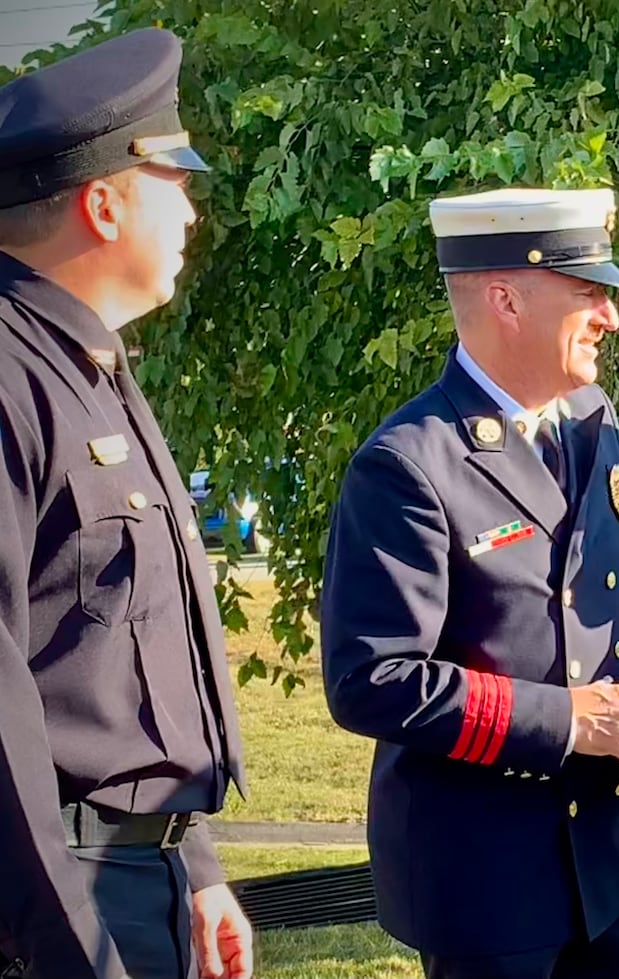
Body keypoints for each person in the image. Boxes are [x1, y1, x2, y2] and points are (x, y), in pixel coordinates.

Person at [319, 187, 619, 979]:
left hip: (602, 865)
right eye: (589, 293)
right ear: (505, 298)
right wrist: (568, 720)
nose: (612, 317)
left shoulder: (592, 418)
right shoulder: (409, 463)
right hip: (484, 880)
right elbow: (371, 680)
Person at [0, 29, 253, 979]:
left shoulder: (89, 365)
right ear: (103, 204)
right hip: (54, 906)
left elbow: (117, 665)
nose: (192, 210)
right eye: (174, 180)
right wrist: (74, 950)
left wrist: (187, 861)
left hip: (133, 884)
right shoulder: (12, 375)